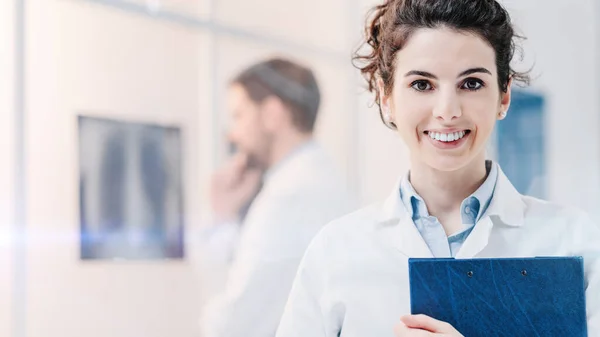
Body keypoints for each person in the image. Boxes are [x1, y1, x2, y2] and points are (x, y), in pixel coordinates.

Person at [275, 0, 600, 336]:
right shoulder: (336, 251)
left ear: (503, 97)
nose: (447, 111)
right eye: (422, 85)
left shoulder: (570, 239)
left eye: (471, 83)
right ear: (387, 98)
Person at [198, 58, 354, 337]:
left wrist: (220, 219)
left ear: (272, 114)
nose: (233, 134)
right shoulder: (324, 180)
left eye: (238, 115)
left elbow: (234, 325)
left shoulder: (288, 197)